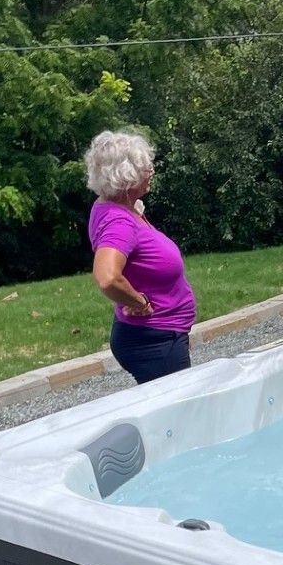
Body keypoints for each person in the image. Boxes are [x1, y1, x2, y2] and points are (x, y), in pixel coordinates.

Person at [83, 130, 196, 384]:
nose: (151, 172)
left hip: (160, 335)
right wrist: (139, 302)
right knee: (178, 406)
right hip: (154, 337)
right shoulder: (118, 222)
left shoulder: (114, 206)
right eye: (145, 168)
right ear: (126, 179)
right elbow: (107, 278)